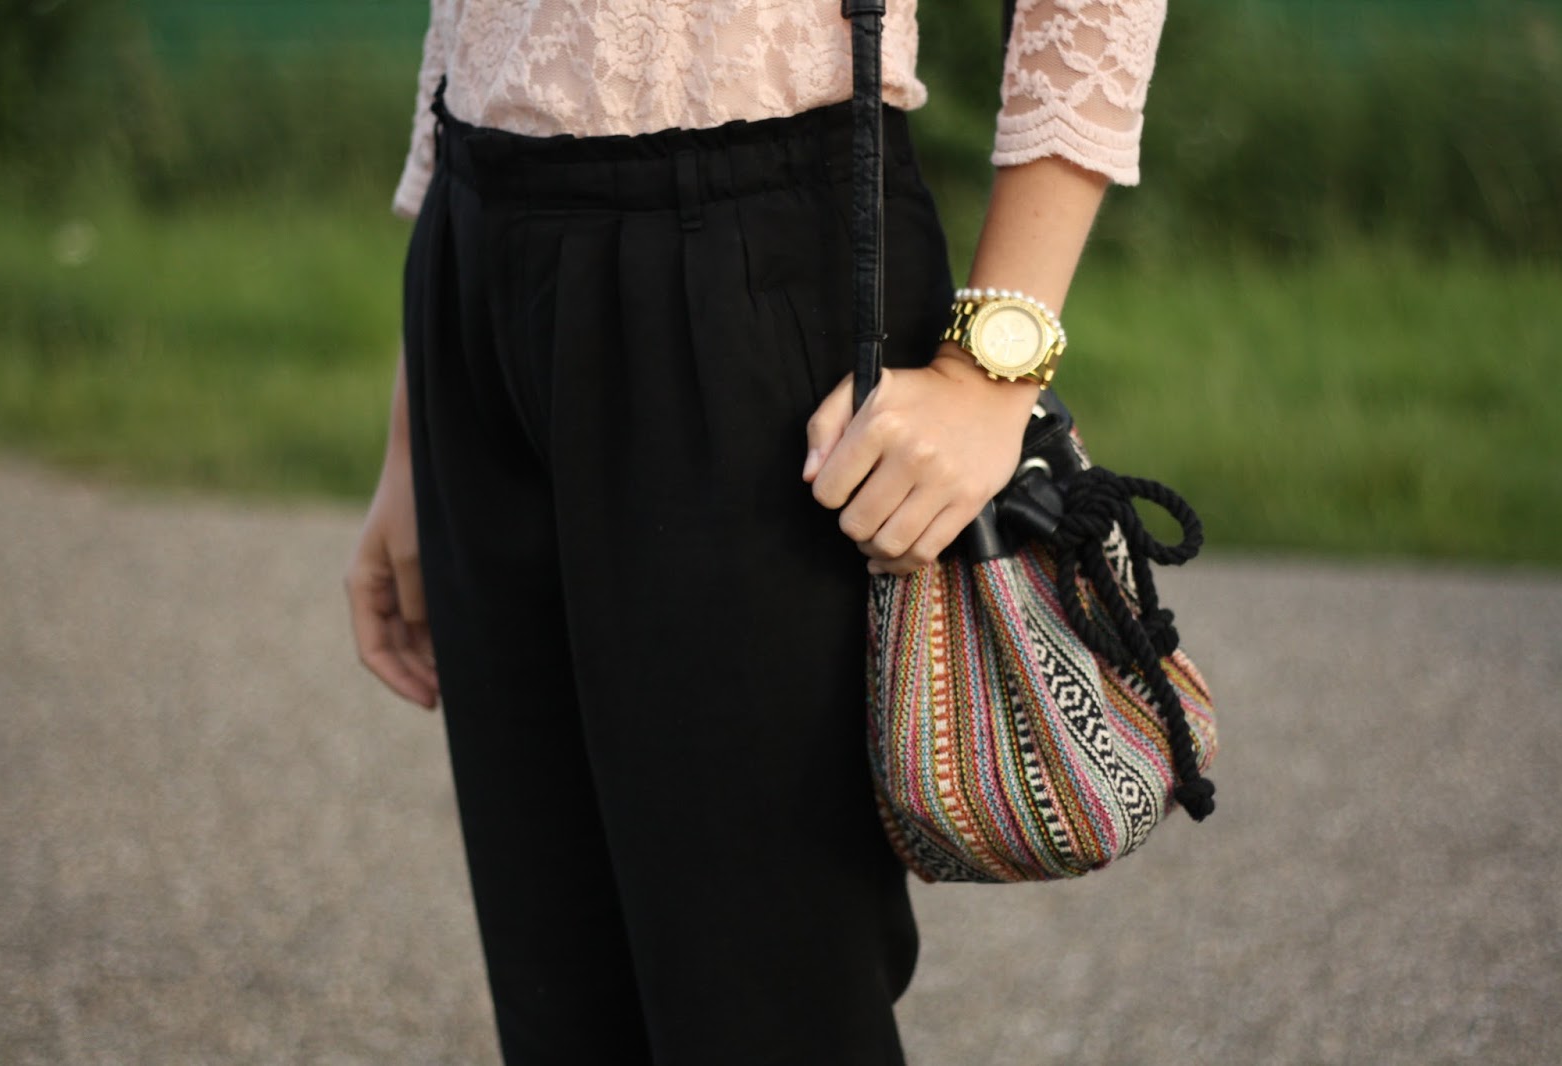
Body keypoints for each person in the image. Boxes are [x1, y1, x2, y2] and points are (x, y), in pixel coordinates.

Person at [345, 2, 1167, 1062]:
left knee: (762, 1006)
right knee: (563, 1000)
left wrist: (991, 364)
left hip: (749, 257)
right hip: (477, 252)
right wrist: (415, 429)